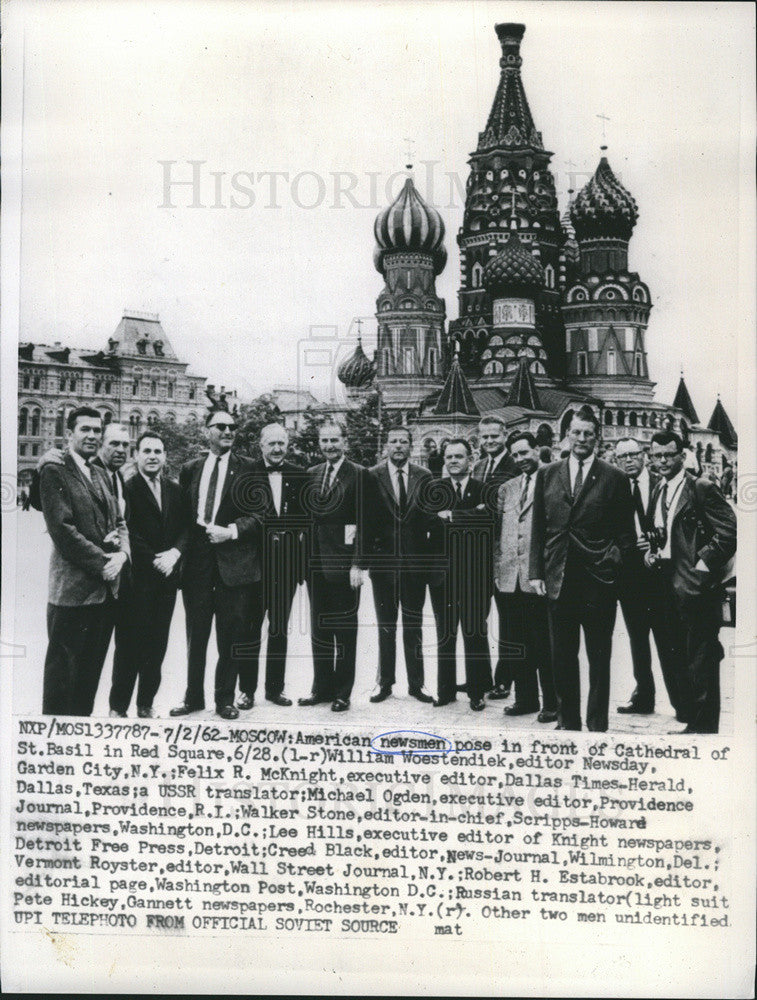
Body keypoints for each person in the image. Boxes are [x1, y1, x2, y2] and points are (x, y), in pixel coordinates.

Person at [529, 406, 636, 732]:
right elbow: (538, 528)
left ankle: (597, 722)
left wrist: (612, 563)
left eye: (588, 433)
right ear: (567, 434)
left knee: (599, 656)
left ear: (597, 437)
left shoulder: (614, 477)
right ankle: (568, 720)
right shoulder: (548, 473)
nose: (582, 439)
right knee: (562, 656)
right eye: (576, 432)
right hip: (558, 577)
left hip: (598, 580)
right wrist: (536, 572)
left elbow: (625, 534)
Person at [171, 407, 261, 721]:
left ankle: (225, 699)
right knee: (196, 636)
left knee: (230, 636)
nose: (227, 431)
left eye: (232, 427)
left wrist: (232, 531)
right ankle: (192, 697)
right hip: (196, 564)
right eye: (220, 426)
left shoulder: (250, 468)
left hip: (233, 565)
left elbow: (259, 516)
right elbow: (182, 517)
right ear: (207, 430)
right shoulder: (190, 468)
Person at [38, 407, 130, 715]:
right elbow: (62, 531)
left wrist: (123, 555)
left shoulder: (100, 471)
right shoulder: (54, 469)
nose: (92, 435)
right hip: (72, 594)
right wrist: (106, 560)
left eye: (96, 430)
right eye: (85, 429)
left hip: (102, 594)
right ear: (69, 434)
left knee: (88, 681)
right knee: (62, 681)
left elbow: (119, 521)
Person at [645, 431, 736, 734]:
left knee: (702, 657)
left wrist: (702, 565)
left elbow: (728, 532)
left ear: (682, 456)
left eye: (669, 455)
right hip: (668, 582)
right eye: (657, 456)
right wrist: (654, 553)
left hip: (696, 584)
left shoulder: (701, 487)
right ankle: (692, 718)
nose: (662, 461)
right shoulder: (659, 489)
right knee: (683, 654)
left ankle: (705, 725)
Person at [108, 431, 189, 718]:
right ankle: (118, 707)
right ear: (136, 455)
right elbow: (126, 530)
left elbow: (186, 527)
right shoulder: (127, 489)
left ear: (165, 456)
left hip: (166, 582)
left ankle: (145, 703)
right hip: (137, 581)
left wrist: (175, 553)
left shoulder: (175, 489)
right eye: (147, 451)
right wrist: (156, 558)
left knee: (157, 646)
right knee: (128, 646)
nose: (153, 456)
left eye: (158, 451)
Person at [613, 437, 686, 717]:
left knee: (668, 639)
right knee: (638, 640)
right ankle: (643, 696)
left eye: (633, 454)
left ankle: (681, 702)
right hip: (629, 577)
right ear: (616, 460)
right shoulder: (615, 486)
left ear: (645, 455)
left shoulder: (661, 482)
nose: (629, 460)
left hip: (660, 575)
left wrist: (655, 543)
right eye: (622, 457)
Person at [236, 423, 307, 709]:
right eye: (271, 444)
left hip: (285, 569)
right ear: (261, 445)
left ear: (287, 444)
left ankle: (275, 689)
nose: (277, 449)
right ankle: (247, 691)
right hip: (254, 567)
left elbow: (306, 521)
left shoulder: (299, 475)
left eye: (281, 443)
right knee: (250, 629)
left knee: (279, 629)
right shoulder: (245, 473)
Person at [364, 426, 435, 704]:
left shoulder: (425, 476)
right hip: (383, 565)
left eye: (403, 442)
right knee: (386, 626)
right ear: (386, 445)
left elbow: (431, 519)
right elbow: (366, 521)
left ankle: (417, 685)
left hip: (416, 565)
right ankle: (384, 684)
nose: (398, 446)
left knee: (414, 625)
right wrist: (364, 561)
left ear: (410, 445)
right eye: (393, 441)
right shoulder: (372, 476)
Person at [300, 422, 366, 713]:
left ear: (345, 441)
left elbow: (364, 524)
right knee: (320, 629)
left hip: (344, 566)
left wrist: (357, 564)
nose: (329, 445)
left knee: (345, 630)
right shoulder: (312, 474)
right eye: (324, 440)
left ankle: (343, 692)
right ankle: (322, 688)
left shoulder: (359, 475)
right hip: (315, 565)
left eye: (334, 440)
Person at [494, 432, 557, 722]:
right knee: (516, 641)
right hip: (509, 578)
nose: (520, 459)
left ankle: (552, 703)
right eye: (515, 455)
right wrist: (498, 568)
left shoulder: (554, 479)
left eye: (524, 453)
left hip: (540, 578)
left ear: (537, 450)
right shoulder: (507, 488)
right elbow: (498, 533)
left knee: (543, 642)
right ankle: (526, 699)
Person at [429, 438, 493, 711]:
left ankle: (477, 691)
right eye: (449, 456)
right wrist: (470, 515)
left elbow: (488, 521)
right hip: (442, 575)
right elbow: (427, 521)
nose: (453, 461)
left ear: (471, 459)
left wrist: (452, 516)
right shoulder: (434, 489)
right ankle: (445, 691)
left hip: (474, 574)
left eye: (459, 456)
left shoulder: (483, 489)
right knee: (445, 634)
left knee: (474, 632)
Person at [471, 417, 519, 701]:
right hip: (479, 555)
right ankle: (481, 678)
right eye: (485, 437)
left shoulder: (514, 468)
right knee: (478, 619)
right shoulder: (477, 467)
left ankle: (504, 680)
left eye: (494, 436)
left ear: (505, 435)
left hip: (505, 555)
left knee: (509, 620)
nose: (489, 441)